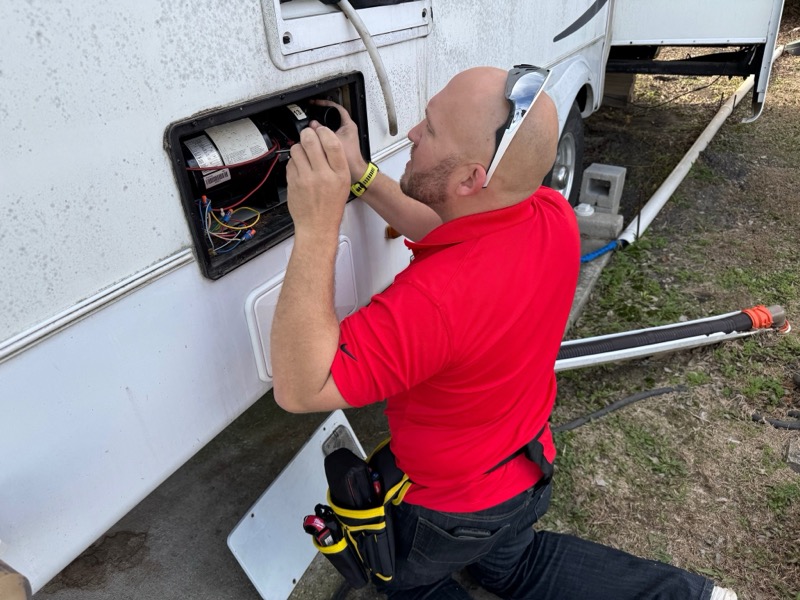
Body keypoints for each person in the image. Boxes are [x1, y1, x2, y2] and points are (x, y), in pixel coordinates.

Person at [270, 66, 736, 600]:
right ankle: (694, 596)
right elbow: (451, 229)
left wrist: (317, 223)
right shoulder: (549, 214)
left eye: (430, 127)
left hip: (452, 514)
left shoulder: (432, 303)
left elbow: (301, 386)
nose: (413, 134)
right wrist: (361, 174)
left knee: (403, 582)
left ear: (469, 179)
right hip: (528, 470)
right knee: (514, 567)